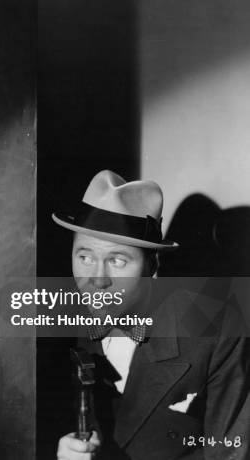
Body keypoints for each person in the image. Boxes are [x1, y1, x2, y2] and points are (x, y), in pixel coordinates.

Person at [52, 170, 249, 459]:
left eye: (118, 260)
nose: (97, 279)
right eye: (85, 257)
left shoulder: (219, 330)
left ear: (152, 265)